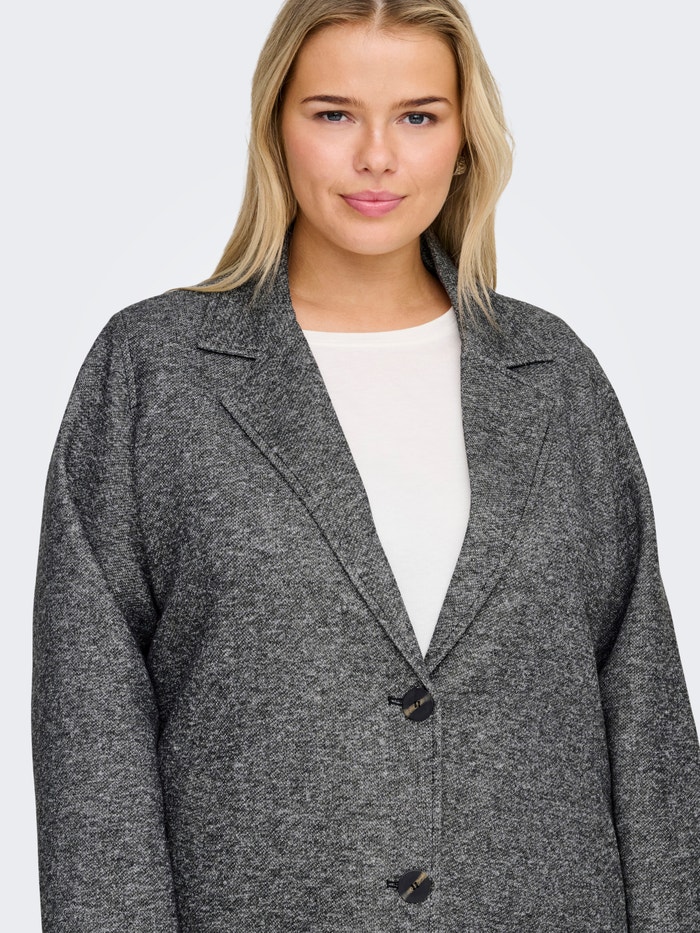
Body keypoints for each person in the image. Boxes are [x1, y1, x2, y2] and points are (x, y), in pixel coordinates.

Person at [31, 0, 700, 930]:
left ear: (464, 140)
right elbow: (90, 736)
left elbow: (646, 721)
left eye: (418, 115)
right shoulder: (154, 371)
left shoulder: (554, 376)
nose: (377, 156)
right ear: (276, 127)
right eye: (334, 113)